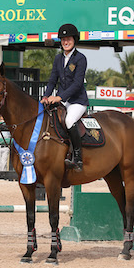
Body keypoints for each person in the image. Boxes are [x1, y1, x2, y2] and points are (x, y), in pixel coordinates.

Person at [41, 23, 89, 170]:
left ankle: (77, 158)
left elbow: (77, 84)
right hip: (63, 101)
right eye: (63, 40)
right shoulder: (58, 59)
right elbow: (52, 80)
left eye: (68, 39)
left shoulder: (80, 58)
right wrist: (46, 95)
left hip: (77, 101)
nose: (65, 42)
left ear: (74, 40)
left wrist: (59, 97)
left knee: (69, 120)